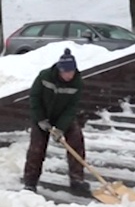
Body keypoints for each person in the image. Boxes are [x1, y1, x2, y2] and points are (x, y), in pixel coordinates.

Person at [22, 48, 87, 193]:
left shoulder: (77, 82)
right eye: (65, 72)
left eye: (71, 72)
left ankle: (77, 180)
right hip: (42, 116)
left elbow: (71, 108)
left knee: (76, 142)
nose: (69, 75)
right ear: (59, 70)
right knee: (36, 149)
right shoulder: (45, 76)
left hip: (63, 117)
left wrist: (61, 128)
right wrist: (40, 119)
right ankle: (30, 182)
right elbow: (34, 98)